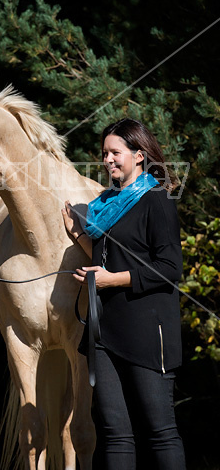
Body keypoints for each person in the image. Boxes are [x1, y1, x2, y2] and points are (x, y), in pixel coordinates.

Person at [62, 118, 186, 470]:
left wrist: (111, 281)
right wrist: (79, 236)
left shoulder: (157, 200)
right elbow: (108, 259)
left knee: (161, 431)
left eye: (115, 152)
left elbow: (170, 268)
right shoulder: (105, 205)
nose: (107, 160)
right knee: (115, 434)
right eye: (104, 153)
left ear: (140, 155)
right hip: (104, 333)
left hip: (148, 332)